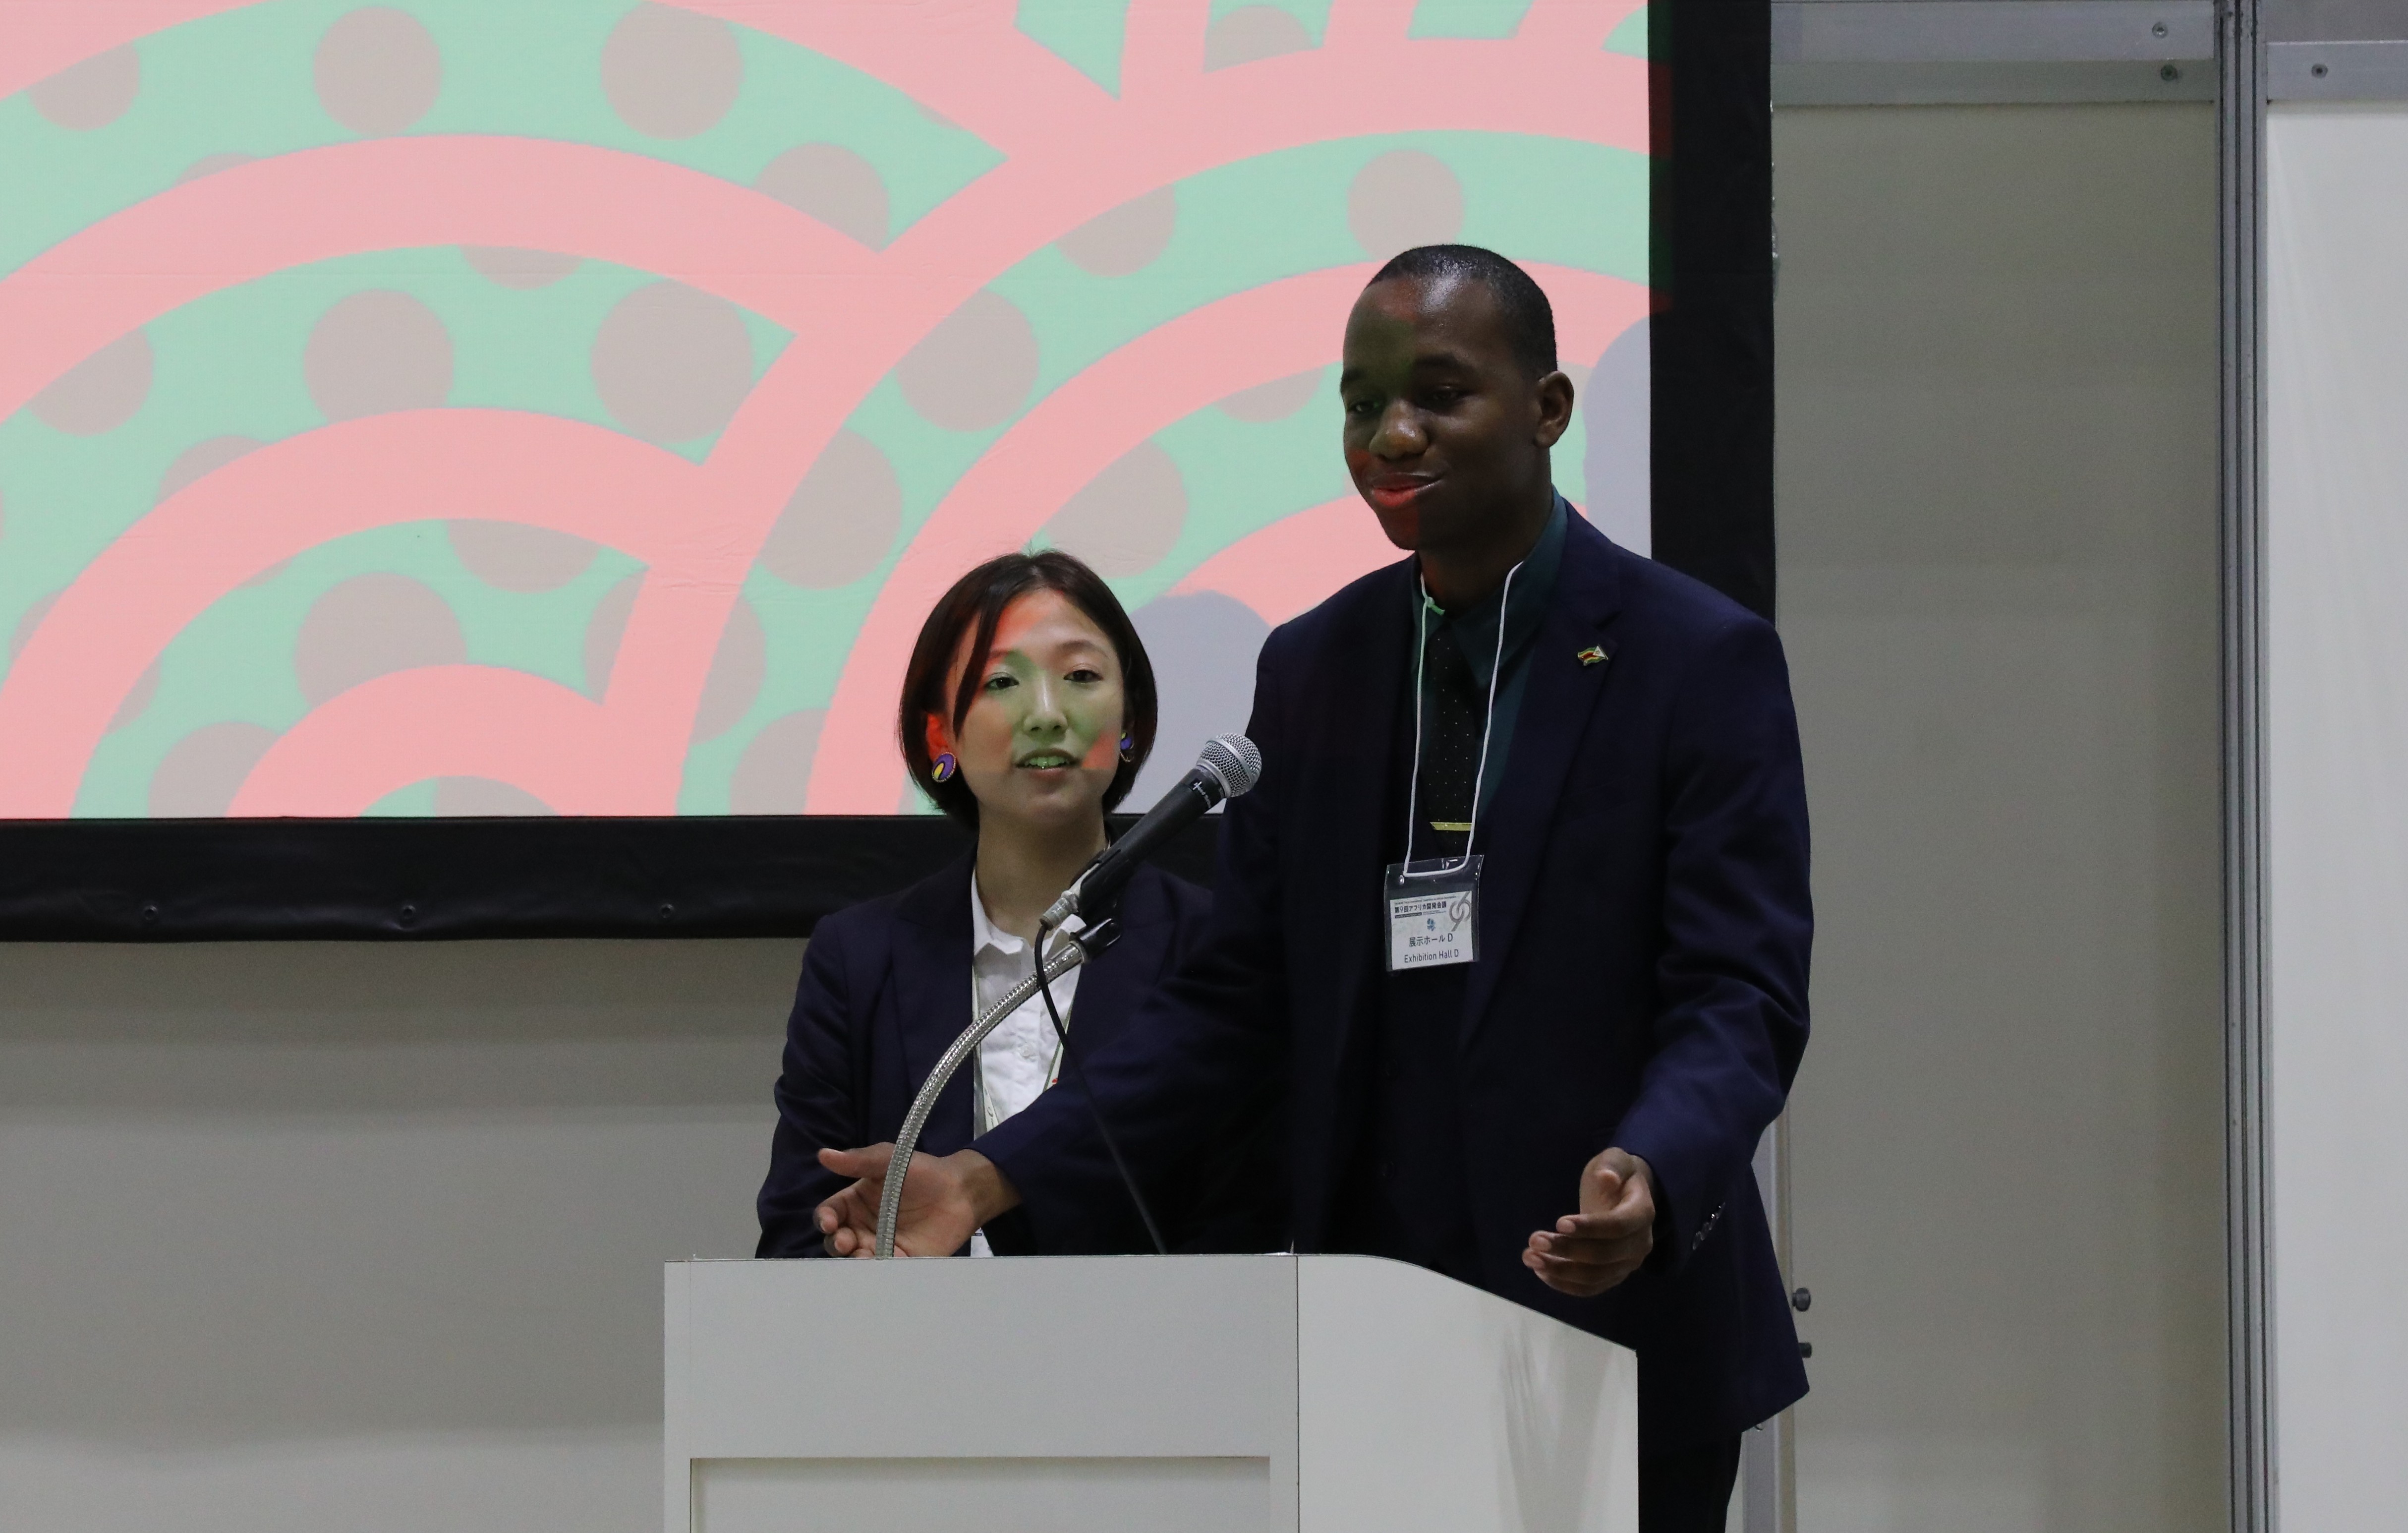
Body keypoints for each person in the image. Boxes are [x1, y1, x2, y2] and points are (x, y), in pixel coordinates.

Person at [813, 246, 1811, 1531]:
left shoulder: (1697, 659)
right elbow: (1233, 1003)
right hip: (1372, 1332)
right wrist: (990, 1174)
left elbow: (1738, 989)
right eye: (1359, 404)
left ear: (1550, 408)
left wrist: (1655, 1161)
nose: (1392, 433)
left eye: (1440, 393)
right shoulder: (1318, 666)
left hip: (1615, 1321)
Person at [755, 550, 1276, 1258]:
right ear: (940, 735)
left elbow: (1249, 1226)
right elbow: (799, 1229)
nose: (1045, 714)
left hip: (1155, 1356)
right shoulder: (858, 957)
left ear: (1129, 723)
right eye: (1001, 681)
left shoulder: (1214, 947)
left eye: (1082, 677)